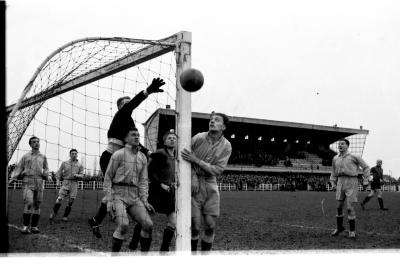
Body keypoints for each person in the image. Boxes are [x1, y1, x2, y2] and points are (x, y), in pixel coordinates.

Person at [88, 77, 165, 238]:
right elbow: (132, 105)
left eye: (129, 103)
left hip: (125, 159)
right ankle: (111, 216)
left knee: (122, 190)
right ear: (120, 107)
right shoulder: (120, 115)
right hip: (110, 157)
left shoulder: (129, 123)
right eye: (126, 104)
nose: (128, 105)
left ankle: (96, 220)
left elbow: (134, 143)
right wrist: (148, 91)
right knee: (116, 190)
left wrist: (149, 153)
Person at [181, 112, 232, 251]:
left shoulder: (227, 146)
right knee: (195, 226)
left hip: (211, 184)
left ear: (224, 127)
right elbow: (184, 157)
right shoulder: (198, 137)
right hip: (193, 183)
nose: (212, 121)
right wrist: (192, 176)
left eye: (216, 120)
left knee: (210, 226)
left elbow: (217, 170)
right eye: (211, 119)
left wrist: (197, 160)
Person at [103, 127, 155, 252]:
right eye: (133, 135)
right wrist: (109, 199)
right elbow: (108, 177)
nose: (137, 137)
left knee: (148, 225)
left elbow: (143, 181)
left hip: (134, 195)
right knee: (123, 225)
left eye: (138, 135)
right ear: (126, 139)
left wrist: (144, 200)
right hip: (118, 194)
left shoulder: (142, 157)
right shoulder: (118, 154)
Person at [129, 130, 177, 252]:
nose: (172, 139)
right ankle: (134, 242)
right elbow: (149, 172)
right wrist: (161, 184)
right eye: (169, 138)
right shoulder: (160, 154)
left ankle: (164, 250)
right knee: (145, 221)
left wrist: (174, 182)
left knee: (173, 222)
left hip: (169, 194)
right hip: (156, 193)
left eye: (174, 138)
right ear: (165, 142)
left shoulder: (177, 157)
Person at [8, 136, 52, 234]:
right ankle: (25, 227)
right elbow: (19, 167)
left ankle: (34, 226)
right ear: (30, 144)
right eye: (34, 142)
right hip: (28, 181)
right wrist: (13, 178)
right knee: (29, 203)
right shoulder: (25, 156)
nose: (37, 143)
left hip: (40, 182)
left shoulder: (43, 157)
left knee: (37, 204)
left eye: (38, 141)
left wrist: (47, 175)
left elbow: (46, 169)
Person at [329, 138, 369, 238]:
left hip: (352, 181)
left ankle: (352, 231)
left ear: (347, 145)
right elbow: (333, 172)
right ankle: (339, 228)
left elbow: (366, 167)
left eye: (342, 144)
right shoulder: (335, 158)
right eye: (339, 144)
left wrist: (365, 179)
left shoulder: (354, 156)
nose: (340, 146)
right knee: (338, 207)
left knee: (350, 208)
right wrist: (333, 182)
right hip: (340, 181)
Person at [49, 149, 84, 222]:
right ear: (70, 155)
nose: (74, 155)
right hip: (66, 182)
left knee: (71, 201)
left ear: (77, 155)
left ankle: (65, 216)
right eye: (72, 153)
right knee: (59, 199)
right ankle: (54, 213)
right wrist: (58, 181)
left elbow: (82, 175)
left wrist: (77, 175)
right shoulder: (64, 163)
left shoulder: (80, 165)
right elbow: (59, 173)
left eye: (75, 154)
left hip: (74, 183)